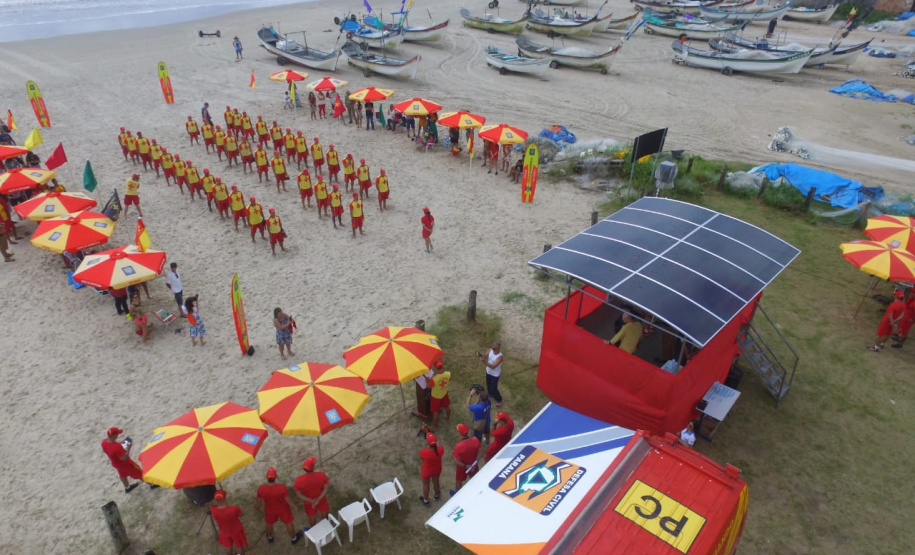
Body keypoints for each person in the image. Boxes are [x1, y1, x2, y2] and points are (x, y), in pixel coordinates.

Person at [256, 467, 304, 545]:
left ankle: (270, 537)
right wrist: (295, 506)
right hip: (283, 509)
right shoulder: (282, 488)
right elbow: (288, 500)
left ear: (266, 477)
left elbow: (258, 502)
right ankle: (293, 538)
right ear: (276, 477)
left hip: (269, 509)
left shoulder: (261, 488)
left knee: (269, 524)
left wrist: (257, 507)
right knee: (288, 523)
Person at [101, 427, 148, 493]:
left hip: (116, 464)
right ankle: (151, 484)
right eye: (117, 434)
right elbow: (124, 458)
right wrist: (129, 448)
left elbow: (110, 450)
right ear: (114, 435)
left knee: (122, 475)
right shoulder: (117, 447)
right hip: (126, 464)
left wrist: (120, 443)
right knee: (139, 472)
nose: (118, 435)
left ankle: (127, 488)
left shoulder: (104, 442)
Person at [294, 456, 329, 529]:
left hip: (309, 502)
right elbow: (326, 488)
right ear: (313, 467)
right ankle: (327, 526)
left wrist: (311, 501)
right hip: (321, 498)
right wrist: (318, 500)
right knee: (324, 513)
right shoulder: (321, 475)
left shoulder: (299, 480)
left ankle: (313, 529)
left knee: (312, 516)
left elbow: (298, 494)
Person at [211, 490, 248, 555]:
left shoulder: (213, 510)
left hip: (224, 531)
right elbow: (241, 514)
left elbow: (214, 506)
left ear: (216, 500)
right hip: (236, 531)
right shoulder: (234, 509)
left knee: (228, 547)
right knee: (239, 546)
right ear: (225, 498)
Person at [451, 423, 481, 495]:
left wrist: (466, 466)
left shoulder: (458, 446)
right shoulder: (475, 440)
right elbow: (480, 452)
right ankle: (476, 492)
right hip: (474, 465)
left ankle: (456, 495)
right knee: (474, 479)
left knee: (459, 481)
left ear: (460, 434)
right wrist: (474, 463)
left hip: (462, 467)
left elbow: (455, 460)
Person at [418, 433, 444, 506]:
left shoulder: (424, 452)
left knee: (426, 485)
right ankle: (437, 495)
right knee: (436, 481)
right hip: (437, 469)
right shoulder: (441, 449)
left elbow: (421, 457)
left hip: (427, 471)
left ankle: (426, 500)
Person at [478, 341, 504, 408]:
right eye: (492, 348)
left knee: (494, 388)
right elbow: (486, 355)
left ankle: (499, 399)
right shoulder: (491, 350)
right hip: (488, 372)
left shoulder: (500, 357)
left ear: (499, 348)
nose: (493, 349)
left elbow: (493, 366)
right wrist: (481, 355)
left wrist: (484, 361)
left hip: (495, 374)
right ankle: (489, 394)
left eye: (494, 349)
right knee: (488, 385)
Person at [429, 359, 450, 431]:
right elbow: (449, 379)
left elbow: (429, 386)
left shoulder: (434, 378)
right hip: (444, 393)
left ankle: (435, 426)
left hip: (436, 397)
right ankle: (447, 418)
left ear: (435, 368)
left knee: (435, 412)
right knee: (447, 406)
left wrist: (427, 380)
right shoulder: (448, 374)